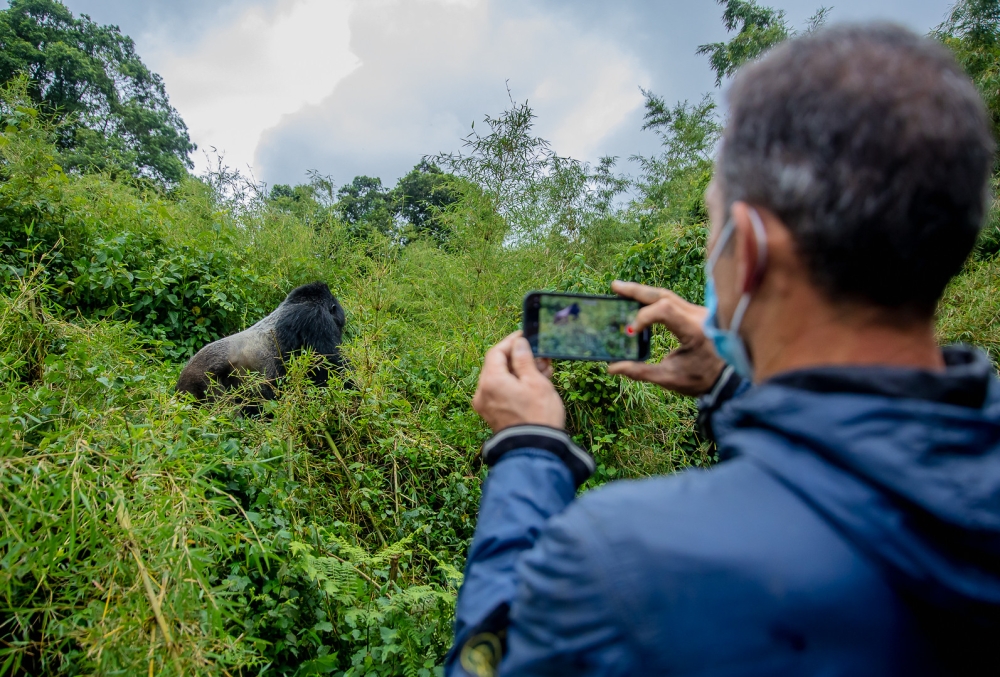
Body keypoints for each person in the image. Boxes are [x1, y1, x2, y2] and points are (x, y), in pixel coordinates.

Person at [446, 23, 1000, 677]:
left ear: (753, 248)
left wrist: (527, 453)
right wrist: (733, 383)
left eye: (713, 226)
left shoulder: (619, 562)